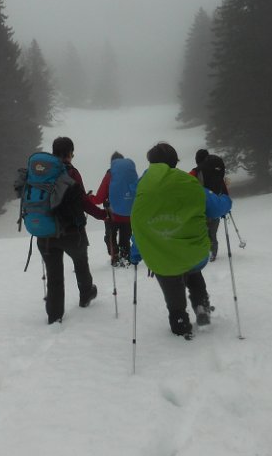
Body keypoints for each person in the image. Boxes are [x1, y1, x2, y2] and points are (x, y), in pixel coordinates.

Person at [130, 142, 231, 338]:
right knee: (193, 272)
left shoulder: (142, 189)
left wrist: (136, 253)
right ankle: (201, 306)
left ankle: (179, 320)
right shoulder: (188, 183)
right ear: (174, 162)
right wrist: (225, 197)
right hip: (194, 253)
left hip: (161, 257)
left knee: (170, 280)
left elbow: (140, 226)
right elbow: (218, 208)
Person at [37, 136, 106, 324]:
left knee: (54, 276)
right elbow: (82, 201)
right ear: (69, 153)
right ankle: (86, 294)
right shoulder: (71, 173)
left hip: (46, 233)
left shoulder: (42, 172)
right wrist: (102, 215)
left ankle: (54, 315)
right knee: (81, 262)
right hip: (71, 232)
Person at [88, 151, 135, 266]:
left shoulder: (110, 175)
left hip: (112, 215)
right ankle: (125, 257)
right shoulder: (131, 175)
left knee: (110, 237)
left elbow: (99, 199)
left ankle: (115, 256)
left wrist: (89, 198)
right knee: (125, 238)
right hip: (128, 215)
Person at [189, 149, 229, 261]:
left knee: (202, 232)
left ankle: (203, 253)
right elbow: (224, 188)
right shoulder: (216, 171)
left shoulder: (195, 172)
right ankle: (212, 252)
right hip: (215, 206)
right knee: (212, 232)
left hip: (200, 207)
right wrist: (224, 205)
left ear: (197, 159)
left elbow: (187, 187)